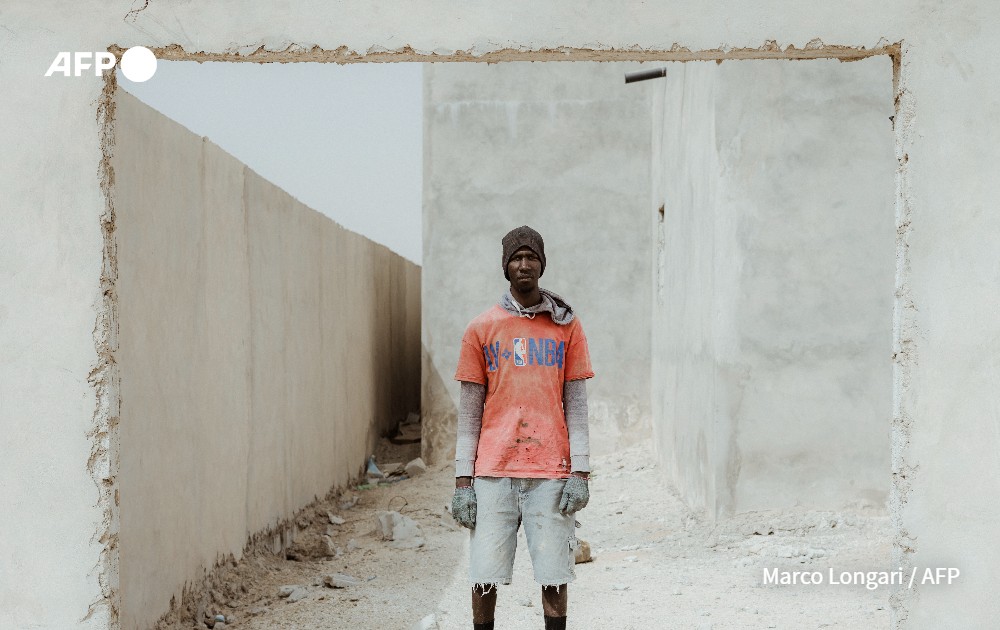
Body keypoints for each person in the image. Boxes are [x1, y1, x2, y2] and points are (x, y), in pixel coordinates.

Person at [451, 225, 594, 630]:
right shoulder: (481, 328)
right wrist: (463, 482)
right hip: (493, 472)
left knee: (554, 574)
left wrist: (580, 472)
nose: (525, 264)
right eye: (517, 258)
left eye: (532, 257)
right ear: (505, 267)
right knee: (484, 575)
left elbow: (577, 405)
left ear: (542, 265)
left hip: (550, 471)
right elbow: (469, 413)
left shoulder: (566, 326)